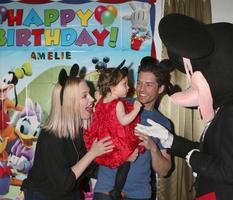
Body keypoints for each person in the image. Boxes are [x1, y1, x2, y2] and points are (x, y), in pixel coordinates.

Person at [136, 14, 233, 200]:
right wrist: (171, 140)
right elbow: (212, 153)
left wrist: (191, 156)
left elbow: (231, 171)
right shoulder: (223, 110)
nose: (190, 81)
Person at [21, 64, 114, 200]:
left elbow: (91, 169)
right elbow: (64, 183)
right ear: (70, 102)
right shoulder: (50, 137)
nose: (92, 99)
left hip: (69, 194)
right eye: (84, 96)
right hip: (44, 195)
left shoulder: (79, 131)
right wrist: (93, 153)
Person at [92, 57, 173, 200]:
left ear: (161, 88)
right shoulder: (117, 104)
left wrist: (153, 147)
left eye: (148, 84)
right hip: (106, 189)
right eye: (139, 82)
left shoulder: (163, 123)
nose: (141, 89)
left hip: (138, 194)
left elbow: (164, 170)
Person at [83, 66, 143, 200]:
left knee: (122, 162)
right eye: (124, 84)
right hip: (116, 141)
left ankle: (114, 189)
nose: (128, 87)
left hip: (104, 141)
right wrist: (136, 110)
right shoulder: (118, 104)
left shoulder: (101, 101)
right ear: (112, 87)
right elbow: (124, 121)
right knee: (125, 163)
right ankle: (116, 190)